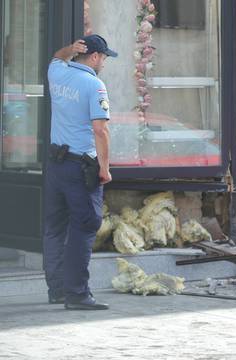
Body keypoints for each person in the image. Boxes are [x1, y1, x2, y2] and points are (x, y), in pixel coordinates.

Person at [44, 34, 116, 310]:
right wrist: (105, 168)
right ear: (95, 57)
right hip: (79, 166)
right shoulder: (94, 85)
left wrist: (68, 49)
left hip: (56, 164)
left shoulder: (58, 71)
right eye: (105, 57)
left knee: (55, 228)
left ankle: (58, 290)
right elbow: (100, 129)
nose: (105, 63)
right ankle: (77, 294)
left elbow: (56, 56)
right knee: (84, 225)